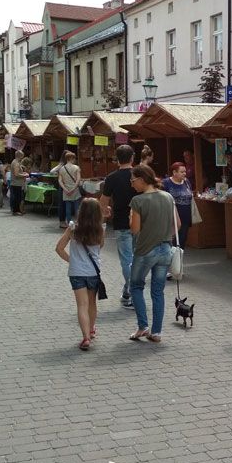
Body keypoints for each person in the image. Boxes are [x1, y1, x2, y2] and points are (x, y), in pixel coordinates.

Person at [128, 165, 179, 343]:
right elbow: (177, 224)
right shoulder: (168, 197)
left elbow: (135, 230)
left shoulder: (137, 201)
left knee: (135, 286)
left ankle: (143, 326)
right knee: (158, 292)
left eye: (133, 180)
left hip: (145, 250)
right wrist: (163, 233)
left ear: (142, 179)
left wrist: (131, 219)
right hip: (165, 249)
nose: (132, 184)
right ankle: (156, 332)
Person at [55, 197, 105, 351]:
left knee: (81, 305)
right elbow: (100, 246)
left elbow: (59, 248)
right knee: (92, 303)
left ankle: (86, 338)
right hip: (93, 272)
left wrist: (73, 261)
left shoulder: (72, 228)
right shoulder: (100, 228)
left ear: (81, 212)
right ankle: (91, 329)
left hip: (76, 273)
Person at [100, 145, 139, 308]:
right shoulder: (139, 174)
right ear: (132, 157)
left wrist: (106, 211)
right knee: (138, 258)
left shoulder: (111, 177)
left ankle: (130, 292)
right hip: (141, 222)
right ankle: (129, 291)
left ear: (117, 159)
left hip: (121, 222)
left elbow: (103, 201)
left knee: (127, 259)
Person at [163, 162, 193, 250]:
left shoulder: (186, 182)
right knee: (172, 242)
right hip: (171, 218)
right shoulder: (166, 183)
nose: (184, 173)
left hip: (185, 217)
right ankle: (171, 262)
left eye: (185, 171)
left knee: (182, 240)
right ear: (174, 172)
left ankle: (179, 261)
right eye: (182, 172)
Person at [58, 152, 82, 223]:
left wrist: (65, 189)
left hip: (66, 190)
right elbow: (78, 179)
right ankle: (77, 222)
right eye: (74, 158)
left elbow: (60, 181)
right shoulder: (76, 167)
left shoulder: (62, 169)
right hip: (75, 190)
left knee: (67, 207)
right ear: (72, 158)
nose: (75, 160)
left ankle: (69, 223)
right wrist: (73, 188)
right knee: (77, 207)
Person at [9, 150, 29, 215]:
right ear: (20, 156)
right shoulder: (16, 163)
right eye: (22, 156)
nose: (22, 157)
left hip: (16, 183)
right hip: (16, 183)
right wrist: (25, 175)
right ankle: (16, 211)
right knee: (17, 198)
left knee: (18, 197)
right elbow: (16, 174)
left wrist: (23, 173)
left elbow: (18, 173)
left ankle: (17, 210)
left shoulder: (16, 162)